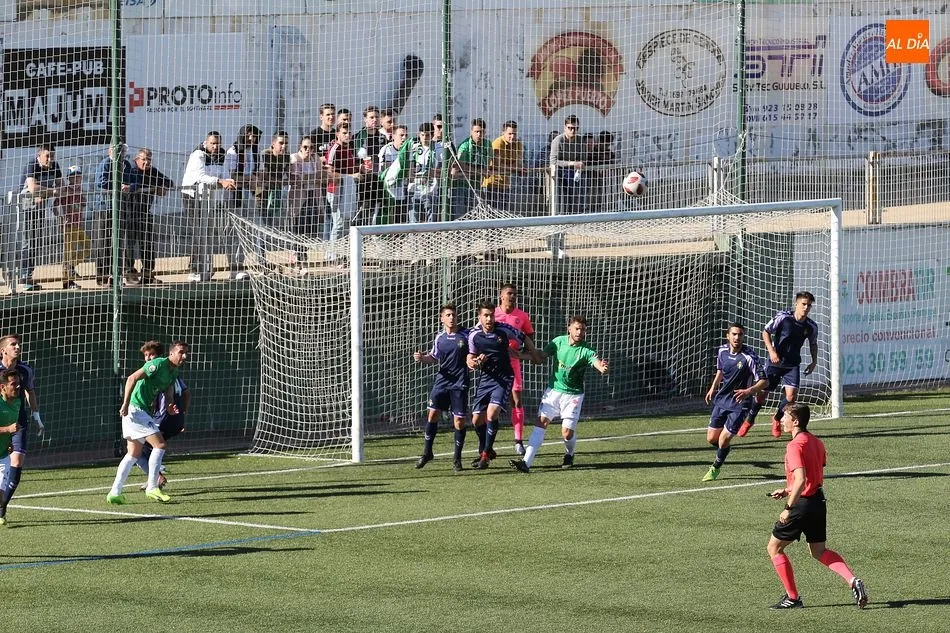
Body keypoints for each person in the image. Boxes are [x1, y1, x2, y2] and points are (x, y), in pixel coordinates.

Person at [766, 403, 869, 610]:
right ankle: (852, 580)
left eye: (785, 416)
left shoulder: (794, 446)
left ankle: (793, 598)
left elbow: (802, 479)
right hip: (818, 503)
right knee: (819, 551)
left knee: (774, 548)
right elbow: (815, 476)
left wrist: (788, 506)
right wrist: (786, 489)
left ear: (796, 421)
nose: (781, 420)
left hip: (801, 505)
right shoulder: (816, 442)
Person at [509, 315, 607, 473]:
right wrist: (519, 355)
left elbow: (596, 362)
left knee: (567, 433)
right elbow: (541, 356)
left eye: (583, 330)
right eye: (577, 328)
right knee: (541, 422)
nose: (580, 332)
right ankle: (526, 463)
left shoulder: (586, 350)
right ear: (569, 328)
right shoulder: (558, 342)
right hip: (553, 391)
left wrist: (602, 367)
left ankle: (570, 453)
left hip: (573, 395)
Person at [107, 341, 190, 504]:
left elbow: (168, 390)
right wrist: (125, 403)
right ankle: (153, 487)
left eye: (186, 353)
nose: (185, 356)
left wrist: (169, 405)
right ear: (171, 353)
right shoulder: (158, 364)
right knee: (160, 445)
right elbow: (132, 378)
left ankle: (115, 492)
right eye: (181, 352)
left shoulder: (174, 372)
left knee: (133, 454)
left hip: (140, 410)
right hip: (136, 409)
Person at [739, 291, 818, 439]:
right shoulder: (784, 317)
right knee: (762, 395)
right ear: (796, 304)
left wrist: (814, 361)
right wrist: (772, 351)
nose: (806, 308)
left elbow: (813, 344)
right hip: (775, 362)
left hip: (792, 364)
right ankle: (749, 419)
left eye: (809, 305)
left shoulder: (811, 326)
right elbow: (766, 332)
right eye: (803, 304)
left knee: (791, 397)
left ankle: (776, 418)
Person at [467, 300, 536, 470]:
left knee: (492, 413)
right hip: (486, 378)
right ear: (480, 317)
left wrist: (533, 354)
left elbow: (524, 337)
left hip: (504, 376)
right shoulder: (473, 335)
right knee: (476, 420)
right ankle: (487, 449)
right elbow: (470, 357)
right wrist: (475, 362)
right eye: (486, 315)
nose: (489, 319)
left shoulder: (503, 329)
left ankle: (485, 455)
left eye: (491, 315)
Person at [701, 323, 768, 482]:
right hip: (722, 399)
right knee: (712, 439)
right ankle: (724, 450)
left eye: (740, 335)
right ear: (728, 335)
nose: (737, 338)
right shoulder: (722, 351)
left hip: (740, 403)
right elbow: (720, 371)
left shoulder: (749, 357)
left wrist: (748, 391)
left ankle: (715, 467)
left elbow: (764, 381)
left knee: (723, 440)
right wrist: (713, 388)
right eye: (734, 334)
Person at [413, 304, 470, 472]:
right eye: (448, 315)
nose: (451, 317)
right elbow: (434, 357)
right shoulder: (440, 338)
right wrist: (422, 358)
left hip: (459, 383)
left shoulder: (466, 335)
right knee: (432, 413)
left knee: (458, 420)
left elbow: (474, 353)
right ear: (442, 319)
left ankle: (457, 459)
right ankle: (427, 452)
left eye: (453, 314)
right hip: (442, 381)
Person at [134, 341, 190, 490]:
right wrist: (184, 415)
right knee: (149, 447)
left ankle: (156, 477)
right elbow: (185, 392)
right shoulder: (173, 371)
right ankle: (155, 475)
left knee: (137, 449)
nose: (148, 358)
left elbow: (174, 393)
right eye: (146, 355)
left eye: (151, 354)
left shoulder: (159, 370)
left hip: (165, 417)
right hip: (174, 418)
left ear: (159, 356)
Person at [182, 131, 236, 282]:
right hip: (192, 196)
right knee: (199, 232)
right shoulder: (198, 155)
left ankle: (206, 268)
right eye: (212, 143)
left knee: (208, 233)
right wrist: (220, 181)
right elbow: (200, 177)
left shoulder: (221, 156)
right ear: (206, 143)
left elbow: (225, 175)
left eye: (217, 143)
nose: (215, 146)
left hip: (209, 199)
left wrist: (228, 181)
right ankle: (194, 270)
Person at [0, 334, 43, 524]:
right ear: (3, 350)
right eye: (13, 344)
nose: (17, 347)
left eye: (18, 344)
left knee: (16, 462)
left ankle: (2, 508)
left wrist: (37, 417)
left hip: (17, 421)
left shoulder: (25, 370)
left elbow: (30, 392)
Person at [493, 283, 536, 455]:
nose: (512, 296)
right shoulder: (492, 314)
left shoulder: (522, 316)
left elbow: (530, 338)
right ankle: (488, 443)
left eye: (515, 294)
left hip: (513, 363)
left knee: (516, 400)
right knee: (492, 404)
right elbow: (480, 334)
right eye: (509, 293)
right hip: (494, 363)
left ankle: (518, 441)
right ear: (501, 295)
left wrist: (521, 353)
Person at [19, 144, 64, 291]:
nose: (50, 159)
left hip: (41, 207)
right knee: (28, 242)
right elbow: (33, 189)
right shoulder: (32, 164)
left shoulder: (55, 165)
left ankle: (29, 276)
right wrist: (52, 192)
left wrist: (46, 194)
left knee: (36, 241)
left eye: (52, 156)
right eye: (47, 156)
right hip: (26, 207)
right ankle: (24, 277)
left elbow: (61, 186)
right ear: (39, 155)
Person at [125, 148, 173, 285]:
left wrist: (162, 186)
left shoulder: (152, 171)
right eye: (143, 159)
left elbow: (169, 182)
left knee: (148, 244)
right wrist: (152, 187)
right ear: (136, 159)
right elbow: (131, 184)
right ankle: (129, 273)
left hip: (145, 213)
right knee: (129, 245)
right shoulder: (131, 169)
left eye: (149, 159)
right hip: (129, 213)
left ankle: (147, 275)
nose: (146, 162)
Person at [223, 124, 262, 280]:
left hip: (248, 195)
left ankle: (240, 265)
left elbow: (256, 172)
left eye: (254, 136)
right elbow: (231, 176)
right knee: (232, 232)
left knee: (245, 233)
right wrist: (249, 179)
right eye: (248, 135)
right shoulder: (233, 152)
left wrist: (256, 180)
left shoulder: (253, 151)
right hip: (234, 197)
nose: (252, 138)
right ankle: (233, 267)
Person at [94, 144, 133, 287]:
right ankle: (102, 276)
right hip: (105, 207)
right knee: (103, 242)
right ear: (110, 151)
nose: (121, 154)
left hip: (120, 207)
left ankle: (118, 275)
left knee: (120, 242)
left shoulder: (126, 165)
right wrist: (117, 186)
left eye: (123, 151)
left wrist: (129, 187)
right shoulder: (105, 164)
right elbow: (101, 182)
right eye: (118, 151)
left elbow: (133, 181)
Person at [324, 122, 364, 264]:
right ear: (338, 134)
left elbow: (351, 170)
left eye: (349, 133)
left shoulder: (350, 149)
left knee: (347, 223)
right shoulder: (335, 149)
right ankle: (332, 255)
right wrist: (349, 177)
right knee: (339, 222)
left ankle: (342, 254)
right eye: (344, 133)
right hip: (335, 190)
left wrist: (361, 169)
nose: (347, 135)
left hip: (348, 190)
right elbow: (329, 173)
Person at [288, 136, 328, 272]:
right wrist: (314, 177)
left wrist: (312, 178)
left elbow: (321, 176)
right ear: (300, 146)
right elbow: (297, 178)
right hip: (299, 199)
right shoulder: (295, 158)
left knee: (309, 230)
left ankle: (303, 257)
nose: (308, 150)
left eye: (311, 147)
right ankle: (299, 259)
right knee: (298, 228)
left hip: (313, 197)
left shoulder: (315, 158)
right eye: (305, 147)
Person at [55, 165, 92, 289]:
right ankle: (68, 281)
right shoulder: (65, 189)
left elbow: (83, 204)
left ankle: (71, 267)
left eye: (79, 177)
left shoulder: (80, 189)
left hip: (79, 224)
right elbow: (55, 205)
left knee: (88, 247)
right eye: (74, 177)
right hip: (69, 225)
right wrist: (61, 217)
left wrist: (83, 200)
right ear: (69, 178)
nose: (77, 179)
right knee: (69, 252)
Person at [451, 118, 492, 220]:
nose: (479, 134)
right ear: (471, 131)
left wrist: (486, 171)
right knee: (460, 216)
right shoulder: (464, 146)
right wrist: (480, 171)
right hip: (461, 186)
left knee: (476, 215)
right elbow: (461, 166)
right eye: (476, 132)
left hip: (477, 185)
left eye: (481, 132)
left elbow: (487, 164)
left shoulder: (487, 145)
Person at [353, 105, 386, 225]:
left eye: (377, 117)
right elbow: (351, 159)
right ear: (365, 119)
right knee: (361, 209)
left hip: (378, 179)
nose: (375, 120)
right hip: (362, 180)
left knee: (377, 209)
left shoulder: (383, 138)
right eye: (371, 117)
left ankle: (374, 236)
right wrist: (360, 168)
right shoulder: (358, 137)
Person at [483, 120, 525, 213]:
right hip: (492, 184)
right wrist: (512, 167)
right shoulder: (497, 143)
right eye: (509, 133)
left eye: (514, 133)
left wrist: (510, 167)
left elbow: (519, 163)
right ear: (503, 133)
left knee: (503, 212)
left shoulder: (518, 144)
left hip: (505, 184)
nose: (512, 136)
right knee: (491, 212)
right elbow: (496, 164)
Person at [0, 370, 23, 526]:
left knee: (1, 499)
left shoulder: (17, 403)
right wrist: (7, 429)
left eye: (18, 382)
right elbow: (9, 428)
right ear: (3, 387)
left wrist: (9, 442)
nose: (18, 386)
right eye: (13, 384)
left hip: (2, 457)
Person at [257, 131, 291, 228]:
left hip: (276, 193)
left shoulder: (286, 157)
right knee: (262, 223)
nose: (284, 146)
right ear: (273, 143)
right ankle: (261, 243)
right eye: (281, 143)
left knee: (272, 223)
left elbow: (289, 175)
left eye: (286, 143)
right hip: (263, 193)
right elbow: (263, 176)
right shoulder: (265, 155)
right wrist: (282, 181)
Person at [377, 124, 410, 225]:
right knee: (388, 220)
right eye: (401, 135)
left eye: (406, 135)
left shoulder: (409, 150)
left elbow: (411, 170)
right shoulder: (386, 150)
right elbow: (384, 171)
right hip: (388, 192)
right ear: (394, 136)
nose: (404, 138)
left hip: (404, 191)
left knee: (402, 222)